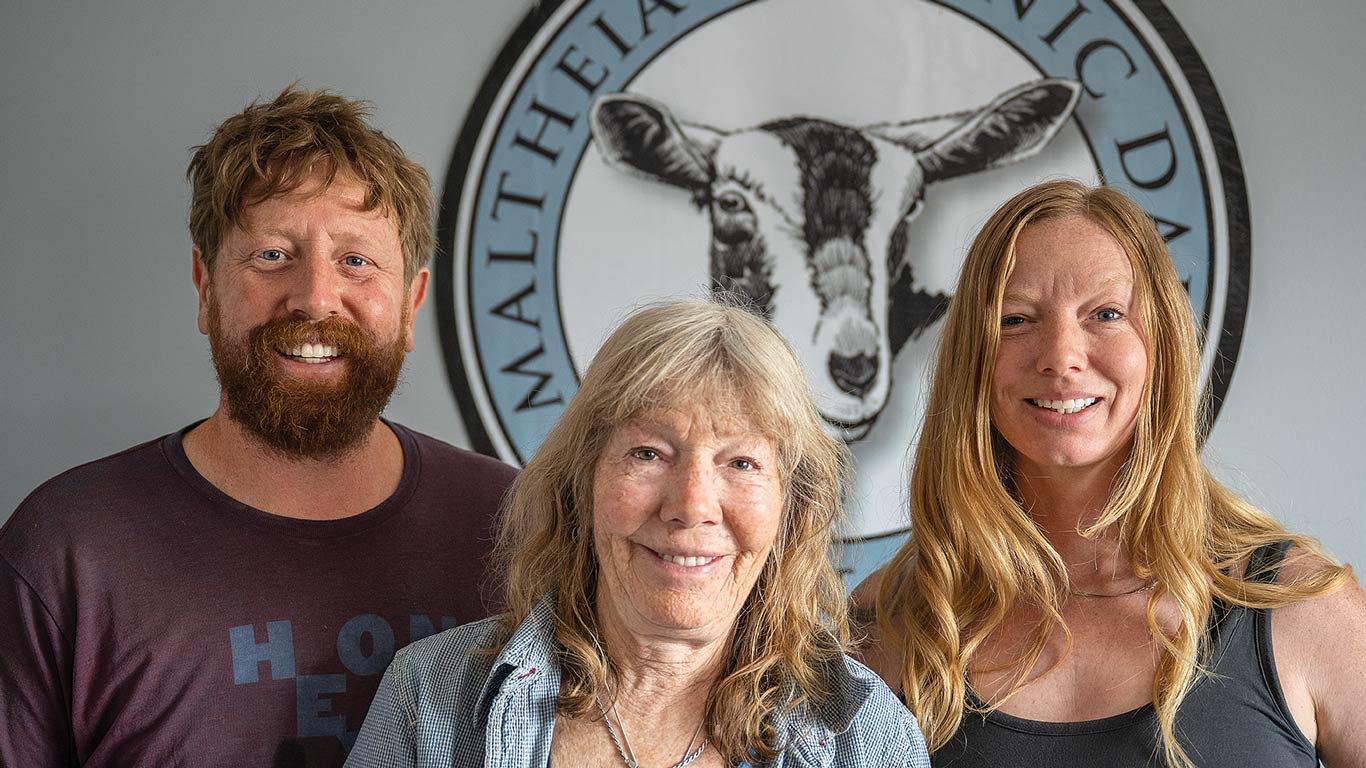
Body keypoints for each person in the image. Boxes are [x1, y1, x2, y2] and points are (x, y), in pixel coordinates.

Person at [0, 86, 516, 767]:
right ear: (206, 287)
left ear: (412, 303)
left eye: (356, 261)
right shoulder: (67, 550)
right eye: (272, 255)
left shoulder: (516, 527)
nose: (314, 297)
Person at [852, 180, 1366, 767]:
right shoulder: (887, 625)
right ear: (973, 359)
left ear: (1162, 346)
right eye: (1016, 320)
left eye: (1105, 314)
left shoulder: (1299, 608)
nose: (1062, 355)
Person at [346, 300, 929, 768]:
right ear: (583, 482)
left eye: (742, 463)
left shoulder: (865, 735)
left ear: (790, 508)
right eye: (649, 453)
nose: (692, 506)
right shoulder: (430, 699)